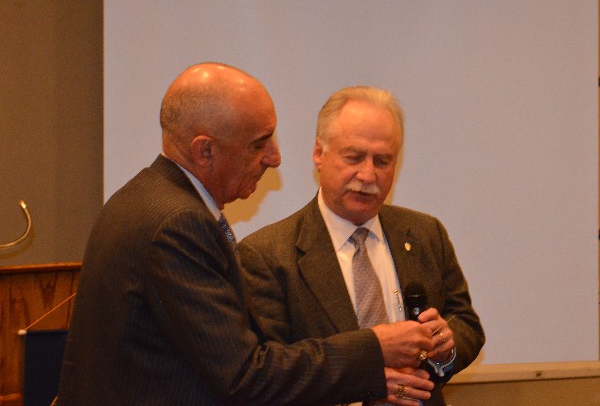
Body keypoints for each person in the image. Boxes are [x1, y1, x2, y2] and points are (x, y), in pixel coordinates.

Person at [55, 64, 438, 406]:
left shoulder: (140, 197)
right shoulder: (178, 225)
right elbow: (245, 378)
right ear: (205, 151)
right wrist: (374, 347)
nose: (275, 158)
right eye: (259, 144)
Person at [239, 86, 485, 406]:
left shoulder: (425, 234)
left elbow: (466, 324)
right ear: (319, 153)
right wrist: (366, 378)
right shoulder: (267, 255)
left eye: (382, 160)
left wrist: (445, 348)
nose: (367, 174)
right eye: (354, 157)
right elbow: (271, 370)